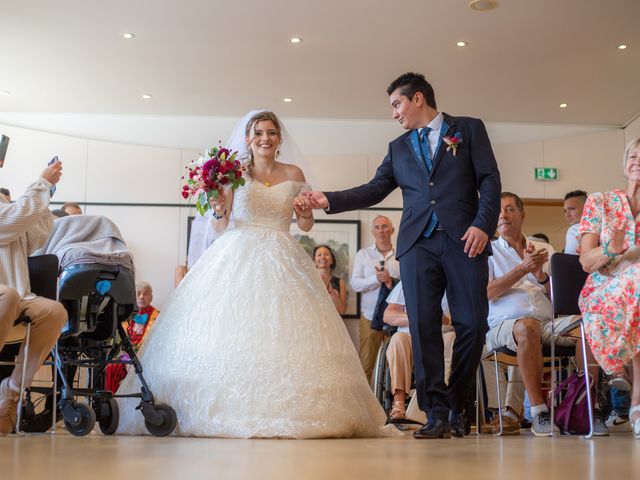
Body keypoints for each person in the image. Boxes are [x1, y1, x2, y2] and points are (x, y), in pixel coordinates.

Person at [115, 111, 389, 438]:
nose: (265, 138)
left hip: (282, 252)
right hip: (236, 251)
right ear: (248, 138)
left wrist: (304, 214)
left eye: (271, 133)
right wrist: (218, 207)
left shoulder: (294, 172)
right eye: (258, 132)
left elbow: (305, 225)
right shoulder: (234, 173)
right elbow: (220, 223)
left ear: (279, 139)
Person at [304, 72, 501, 439]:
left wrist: (482, 224)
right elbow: (375, 189)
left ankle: (457, 403)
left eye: (397, 104)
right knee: (423, 327)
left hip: (465, 239)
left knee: (473, 325)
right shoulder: (398, 148)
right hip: (416, 246)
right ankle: (436, 413)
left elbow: (489, 179)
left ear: (419, 99)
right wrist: (329, 199)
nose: (394, 113)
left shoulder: (468, 129)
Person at [484, 192, 606, 436]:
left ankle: (586, 407)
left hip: (547, 322)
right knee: (527, 326)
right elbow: (487, 292)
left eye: (509, 209)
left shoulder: (543, 249)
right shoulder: (486, 251)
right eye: (499, 211)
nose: (503, 215)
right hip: (504, 326)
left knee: (588, 322)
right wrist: (522, 269)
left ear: (522, 214)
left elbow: (559, 298)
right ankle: (539, 411)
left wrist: (540, 275)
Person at [578, 137, 640, 440]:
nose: (637, 161)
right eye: (633, 156)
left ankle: (626, 381)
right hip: (603, 294)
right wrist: (613, 253)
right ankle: (637, 403)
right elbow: (586, 261)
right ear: (624, 163)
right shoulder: (600, 201)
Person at [0, 161, 67, 434]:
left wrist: (45, 196)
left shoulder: (11, 212)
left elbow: (36, 240)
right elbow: (10, 221)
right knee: (9, 295)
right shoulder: (8, 216)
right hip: (7, 293)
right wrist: (40, 183)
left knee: (55, 312)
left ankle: (11, 392)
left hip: (17, 293)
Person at [383, 281, 453, 422]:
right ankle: (399, 403)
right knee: (398, 339)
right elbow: (388, 315)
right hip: (410, 334)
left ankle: (440, 404)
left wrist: (444, 320)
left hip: (443, 334)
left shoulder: (454, 281)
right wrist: (418, 319)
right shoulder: (408, 281)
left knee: (452, 338)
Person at [351, 215, 400, 382]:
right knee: (366, 363)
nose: (381, 231)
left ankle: (393, 405)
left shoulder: (401, 255)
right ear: (372, 231)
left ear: (392, 230)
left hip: (396, 320)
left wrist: (390, 281)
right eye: (377, 227)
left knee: (395, 365)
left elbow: (408, 285)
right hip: (369, 317)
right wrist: (375, 280)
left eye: (385, 226)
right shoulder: (363, 254)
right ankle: (363, 406)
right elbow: (355, 284)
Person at [105, 281, 159, 393]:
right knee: (111, 367)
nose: (142, 297)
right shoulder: (125, 315)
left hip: (147, 356)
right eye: (138, 293)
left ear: (151, 297)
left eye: (146, 294)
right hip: (126, 354)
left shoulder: (157, 316)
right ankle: (111, 401)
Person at [313, 245, 347, 315]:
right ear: (314, 261)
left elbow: (342, 311)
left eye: (326, 254)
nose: (323, 257)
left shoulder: (340, 282)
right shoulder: (309, 281)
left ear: (332, 260)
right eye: (319, 255)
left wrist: (333, 294)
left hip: (333, 323)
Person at [563, 190, 588, 255]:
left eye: (571, 209)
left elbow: (570, 261)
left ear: (586, 208)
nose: (567, 215)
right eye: (565, 211)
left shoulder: (574, 229)